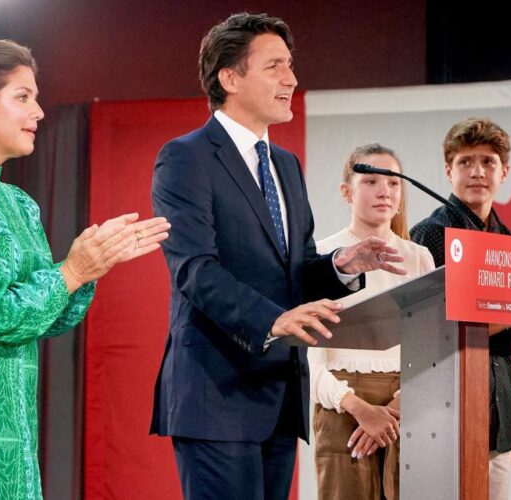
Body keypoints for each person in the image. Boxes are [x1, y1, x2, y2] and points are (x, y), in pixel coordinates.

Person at [0, 40, 169, 499]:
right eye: (22, 97)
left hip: (11, 425)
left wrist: (89, 266)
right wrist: (71, 272)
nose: (38, 111)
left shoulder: (18, 203)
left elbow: (47, 317)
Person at [149, 13, 406, 500]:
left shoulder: (285, 165)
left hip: (278, 394)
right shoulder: (186, 158)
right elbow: (195, 271)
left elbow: (296, 271)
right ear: (230, 78)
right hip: (216, 393)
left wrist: (342, 265)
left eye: (291, 65)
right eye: (275, 67)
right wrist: (275, 320)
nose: (291, 79)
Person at [409, 117, 511, 500]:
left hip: (498, 420)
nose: (477, 172)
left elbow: (505, 353)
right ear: (448, 171)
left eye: (488, 162)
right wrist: (510, 318)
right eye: (466, 162)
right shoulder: (430, 235)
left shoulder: (510, 242)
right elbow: (427, 331)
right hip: (440, 420)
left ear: (505, 172)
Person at [309, 144, 434, 500]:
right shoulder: (320, 255)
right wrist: (360, 409)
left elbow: (430, 351)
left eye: (394, 183)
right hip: (341, 404)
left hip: (407, 404)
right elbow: (309, 360)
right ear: (346, 192)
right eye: (371, 181)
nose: (385, 191)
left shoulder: (419, 257)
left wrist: (394, 409)